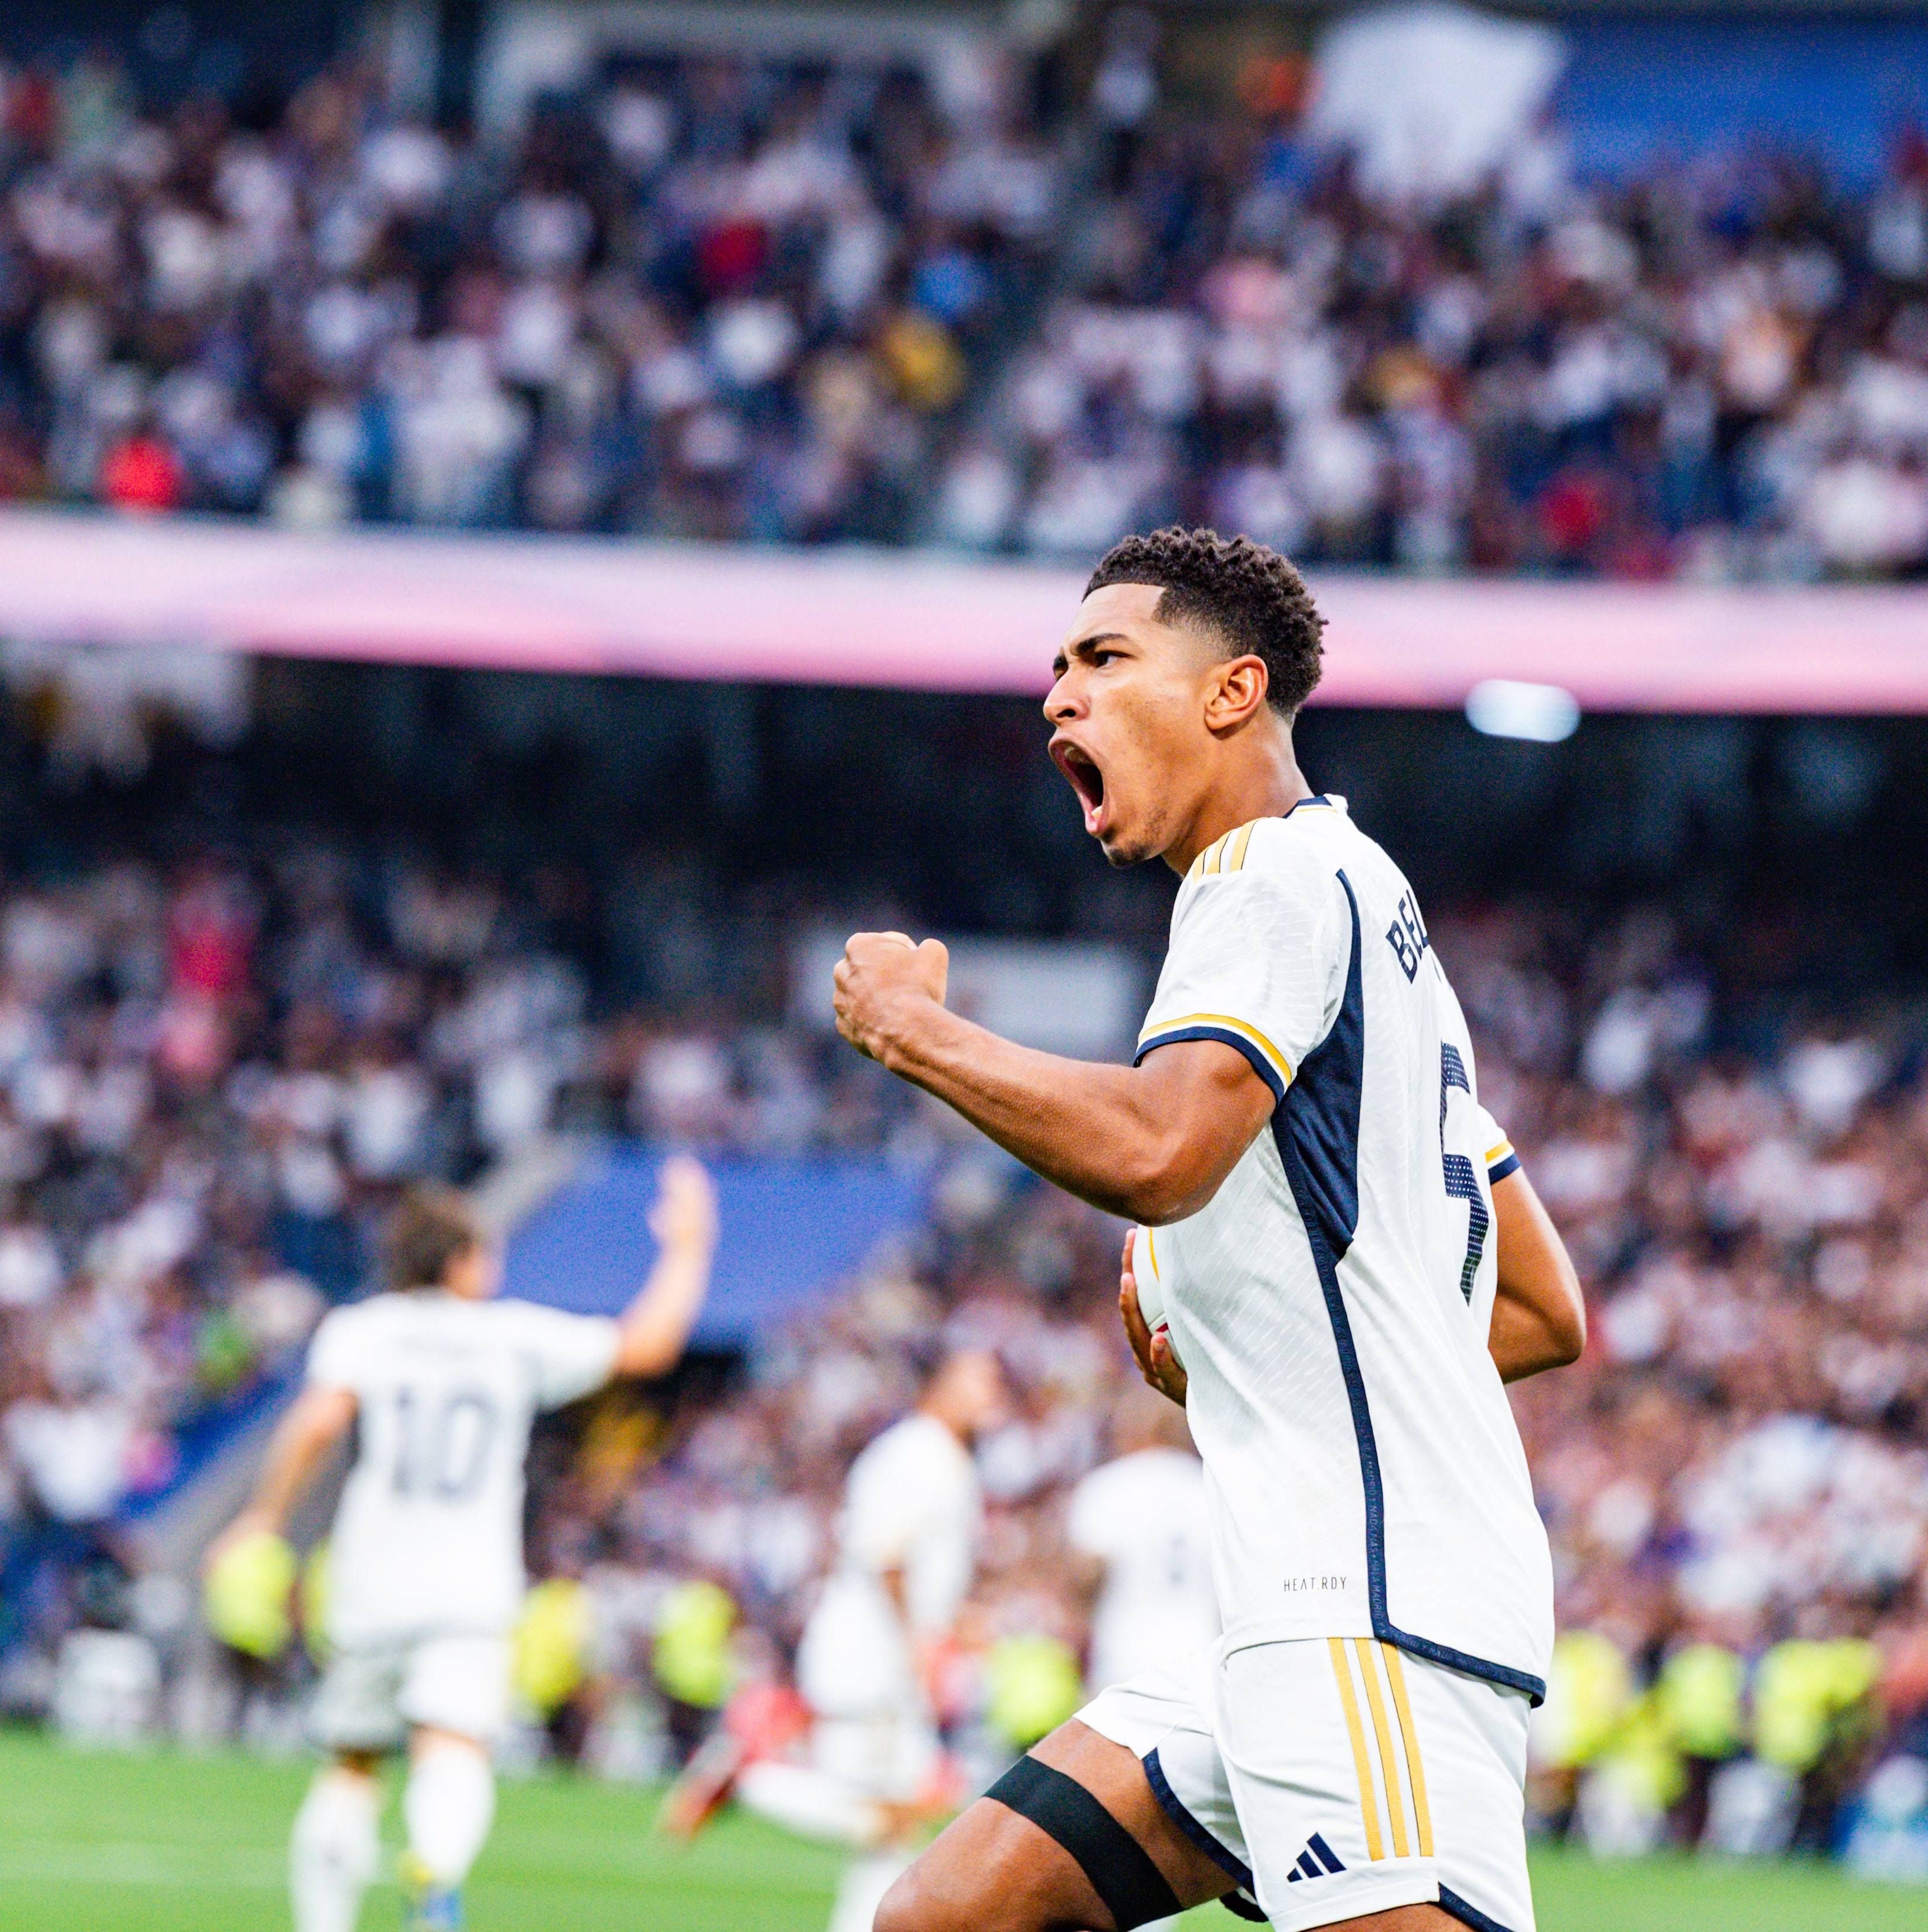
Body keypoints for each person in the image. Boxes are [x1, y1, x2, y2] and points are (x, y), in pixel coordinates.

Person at [829, 527, 1589, 1932]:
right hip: (1291, 1602)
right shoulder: (1379, 916)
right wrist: (1262, 1335)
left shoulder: (1264, 878)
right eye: (1056, 666)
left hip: (1359, 1598)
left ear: (1235, 693)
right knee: (950, 1914)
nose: (1061, 694)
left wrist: (912, 1031)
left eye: (1106, 659)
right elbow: (1542, 1306)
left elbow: (1161, 1148)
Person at [210, 1162, 717, 1932]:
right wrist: (689, 1246)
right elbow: (647, 1345)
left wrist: (263, 1517)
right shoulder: (509, 1336)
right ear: (456, 1260)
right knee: (454, 1745)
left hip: (372, 1578)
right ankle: (435, 1877)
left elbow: (316, 1425)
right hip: (471, 1584)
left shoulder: (366, 1328)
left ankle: (323, 1924)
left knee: (351, 1761)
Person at [667, 1348, 1009, 1932]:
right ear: (936, 1386)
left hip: (881, 1649)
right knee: (893, 1813)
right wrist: (918, 1645)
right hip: (873, 1657)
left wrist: (955, 1624)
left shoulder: (933, 1454)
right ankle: (754, 1777)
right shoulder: (919, 1452)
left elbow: (913, 1566)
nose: (992, 1393)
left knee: (898, 1828)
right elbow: (888, 1557)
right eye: (977, 1380)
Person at [1066, 1389, 1216, 1700]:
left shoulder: (1108, 1486)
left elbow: (1085, 1578)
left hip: (1124, 1656)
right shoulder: (1209, 1486)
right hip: (1200, 1657)